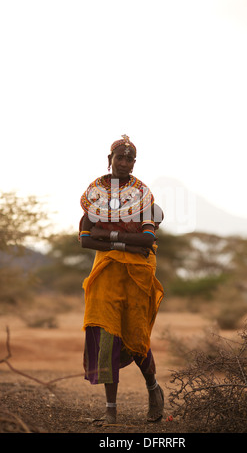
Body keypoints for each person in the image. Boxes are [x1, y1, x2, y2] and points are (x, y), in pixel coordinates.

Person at [79, 134, 165, 424]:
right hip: (105, 273)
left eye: (130, 159)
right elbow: (85, 239)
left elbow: (149, 237)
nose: (125, 162)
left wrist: (107, 235)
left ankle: (153, 388)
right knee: (105, 334)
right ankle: (110, 410)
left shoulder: (142, 195)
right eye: (120, 157)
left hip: (137, 275)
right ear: (110, 159)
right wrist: (127, 243)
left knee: (135, 333)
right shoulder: (95, 194)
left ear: (134, 163)